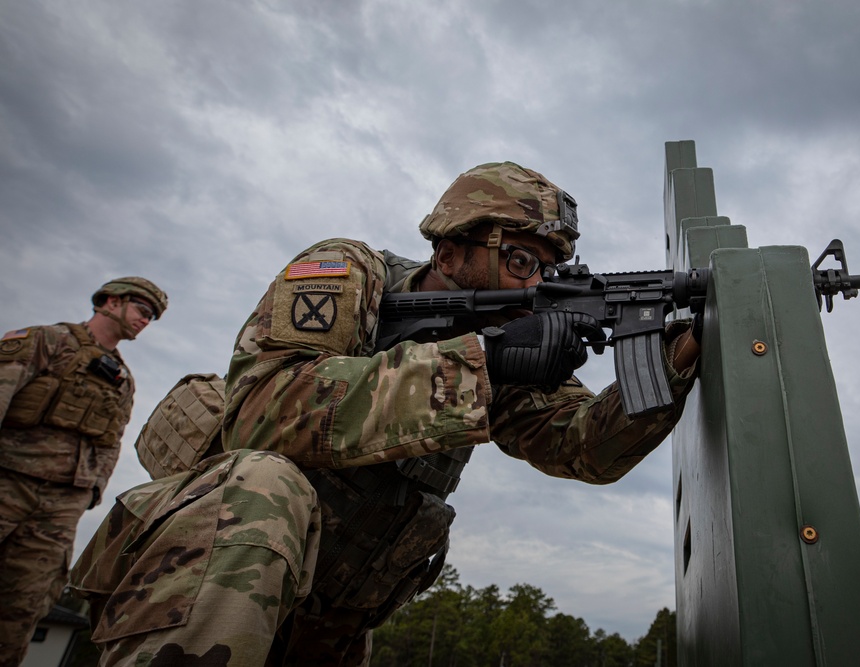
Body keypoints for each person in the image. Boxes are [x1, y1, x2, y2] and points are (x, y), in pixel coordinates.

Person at [70, 162, 700, 666]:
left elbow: (587, 447)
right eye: (519, 260)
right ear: (451, 252)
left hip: (330, 626)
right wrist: (482, 359)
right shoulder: (351, 274)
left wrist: (679, 353)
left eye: (548, 268)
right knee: (262, 480)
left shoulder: (501, 342)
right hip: (206, 586)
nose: (533, 284)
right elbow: (264, 408)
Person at [0, 277, 167, 666]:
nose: (146, 321)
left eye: (152, 317)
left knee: (23, 606)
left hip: (59, 507)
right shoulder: (47, 341)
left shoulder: (123, 380)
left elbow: (110, 443)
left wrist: (87, 494)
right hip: (8, 479)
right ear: (111, 301)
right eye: (142, 310)